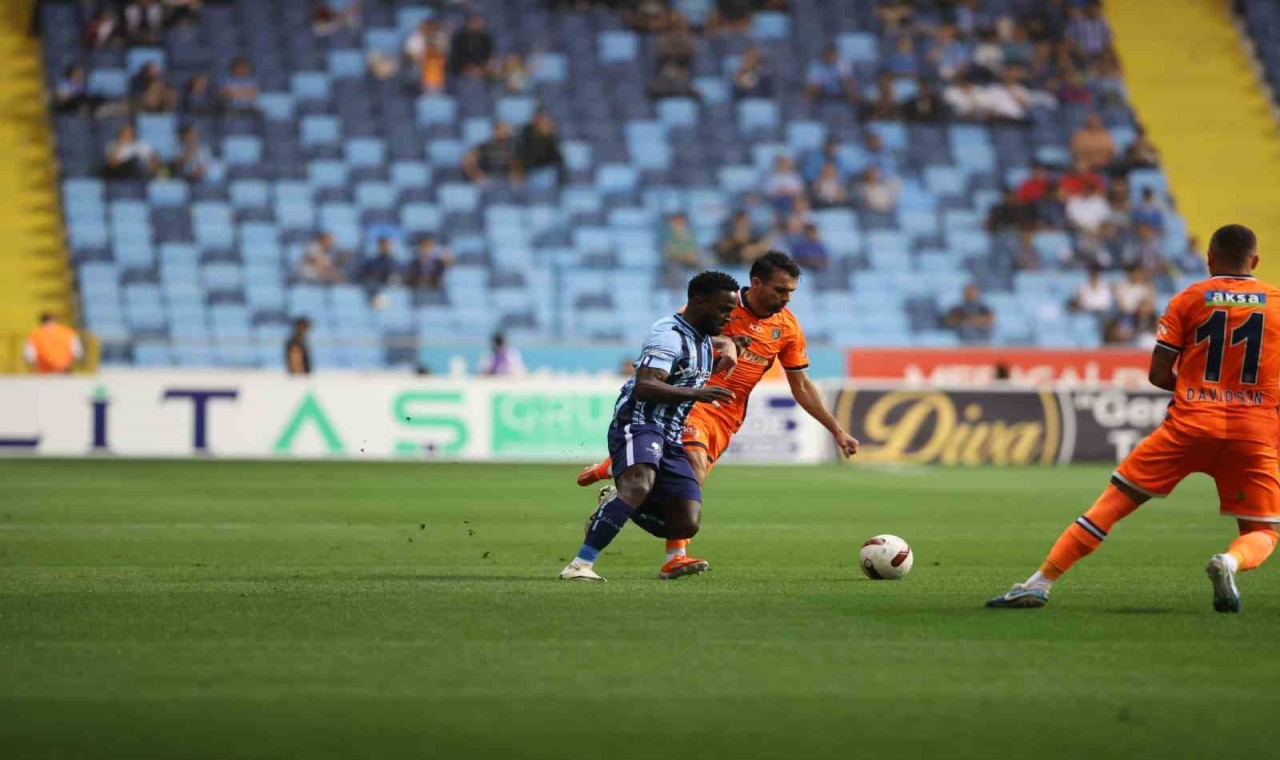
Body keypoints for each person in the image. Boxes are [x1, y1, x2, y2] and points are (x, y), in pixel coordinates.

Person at [987, 225, 1280, 613]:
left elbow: (1159, 374)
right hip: (1253, 431)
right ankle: (1229, 561)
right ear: (1255, 261)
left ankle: (1039, 584)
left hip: (1188, 426)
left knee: (1111, 505)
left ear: (1209, 258)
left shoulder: (1189, 298)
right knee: (1262, 530)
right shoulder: (1277, 302)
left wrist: (1198, 393)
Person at [573, 254, 861, 579]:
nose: (786, 298)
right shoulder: (720, 302)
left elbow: (802, 385)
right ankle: (674, 556)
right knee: (692, 466)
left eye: (791, 292)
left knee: (689, 490)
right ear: (756, 283)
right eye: (781, 290)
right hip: (694, 398)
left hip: (728, 414)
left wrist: (836, 430)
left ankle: (616, 469)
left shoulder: (788, 328)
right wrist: (725, 341)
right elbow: (682, 332)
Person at [560, 270, 738, 582]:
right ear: (699, 302)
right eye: (724, 308)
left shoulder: (704, 341)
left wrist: (731, 348)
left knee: (685, 524)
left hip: (672, 434)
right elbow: (645, 386)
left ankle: (615, 499)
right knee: (639, 484)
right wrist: (698, 393)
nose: (729, 315)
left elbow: (704, 355)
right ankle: (579, 565)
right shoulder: (668, 334)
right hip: (640, 421)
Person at [462, 120, 519, 185]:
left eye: (506, 130)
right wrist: (477, 175)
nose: (504, 132)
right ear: (495, 131)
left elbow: (514, 167)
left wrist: (515, 176)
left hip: (505, 180)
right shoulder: (485, 147)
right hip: (487, 180)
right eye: (501, 129)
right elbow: (467, 160)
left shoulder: (511, 148)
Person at [517, 109, 565, 186]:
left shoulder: (551, 135)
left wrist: (548, 136)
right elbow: (524, 152)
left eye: (544, 119)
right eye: (540, 118)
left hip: (547, 171)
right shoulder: (526, 131)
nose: (542, 121)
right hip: (529, 171)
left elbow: (556, 157)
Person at [448, 13, 494, 78]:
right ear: (468, 24)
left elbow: (490, 55)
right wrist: (468, 68)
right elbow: (455, 56)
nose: (475, 25)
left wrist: (482, 69)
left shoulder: (486, 38)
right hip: (463, 72)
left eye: (477, 22)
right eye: (473, 22)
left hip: (482, 72)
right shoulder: (460, 38)